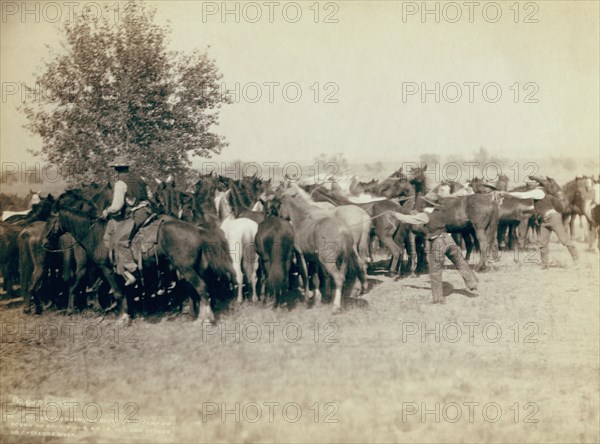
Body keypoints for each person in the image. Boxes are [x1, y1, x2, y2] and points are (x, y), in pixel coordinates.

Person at [393, 196, 478, 304]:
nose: (422, 205)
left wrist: (395, 214)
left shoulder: (426, 215)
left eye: (424, 203)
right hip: (449, 240)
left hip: (438, 242)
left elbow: (408, 219)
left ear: (427, 205)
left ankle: (438, 298)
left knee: (435, 271)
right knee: (460, 262)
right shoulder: (441, 213)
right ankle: (472, 283)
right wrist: (417, 214)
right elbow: (426, 219)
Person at [502, 181, 578, 268]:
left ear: (538, 185)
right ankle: (545, 264)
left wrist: (506, 193)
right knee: (542, 243)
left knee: (564, 240)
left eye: (534, 183)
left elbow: (522, 195)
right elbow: (538, 208)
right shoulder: (541, 196)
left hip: (552, 218)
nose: (530, 185)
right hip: (546, 219)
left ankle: (576, 259)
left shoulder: (538, 192)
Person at [101, 156, 152, 285]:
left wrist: (107, 211)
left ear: (116, 169)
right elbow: (150, 195)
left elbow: (117, 206)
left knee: (120, 240)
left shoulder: (120, 183)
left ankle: (131, 271)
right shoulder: (141, 179)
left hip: (137, 214)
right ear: (128, 167)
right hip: (149, 211)